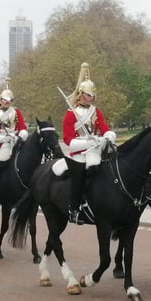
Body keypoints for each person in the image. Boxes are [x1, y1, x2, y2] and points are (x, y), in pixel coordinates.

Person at [62, 63, 117, 225]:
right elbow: (68, 140)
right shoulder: (70, 114)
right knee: (78, 177)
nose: (91, 97)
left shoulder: (95, 111)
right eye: (88, 94)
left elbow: (104, 128)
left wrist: (108, 136)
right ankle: (75, 208)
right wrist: (87, 142)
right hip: (80, 153)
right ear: (80, 95)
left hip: (95, 149)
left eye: (92, 94)